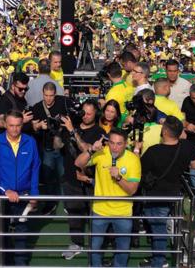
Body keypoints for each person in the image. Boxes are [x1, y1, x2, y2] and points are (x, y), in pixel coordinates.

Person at [139, 117, 195, 268]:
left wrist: (136, 149)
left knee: (158, 229)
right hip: (174, 193)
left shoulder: (153, 151)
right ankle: (158, 258)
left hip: (155, 196)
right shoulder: (187, 146)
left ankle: (159, 262)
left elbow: (138, 170)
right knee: (159, 228)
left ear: (165, 131)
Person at [74, 128, 140, 268]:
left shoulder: (133, 160)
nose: (115, 147)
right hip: (100, 210)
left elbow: (132, 190)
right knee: (95, 247)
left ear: (126, 144)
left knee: (122, 249)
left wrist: (119, 177)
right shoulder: (101, 153)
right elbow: (78, 163)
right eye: (112, 143)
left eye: (119, 144)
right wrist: (91, 150)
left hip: (123, 212)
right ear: (108, 142)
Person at [0, 111, 40, 266]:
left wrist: (34, 193)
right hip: (2, 198)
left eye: (18, 125)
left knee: (22, 231)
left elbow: (35, 168)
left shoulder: (30, 142)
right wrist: (6, 190)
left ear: (22, 124)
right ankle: (5, 263)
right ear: (5, 124)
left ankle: (20, 264)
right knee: (2, 232)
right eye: (11, 125)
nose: (15, 129)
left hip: (24, 195)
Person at [59, 100, 106, 260]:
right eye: (83, 112)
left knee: (94, 216)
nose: (85, 116)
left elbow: (87, 149)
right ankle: (76, 243)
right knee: (74, 214)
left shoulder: (99, 132)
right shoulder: (71, 126)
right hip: (70, 178)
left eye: (89, 113)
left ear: (96, 115)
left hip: (89, 180)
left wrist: (72, 131)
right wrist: (56, 130)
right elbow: (58, 145)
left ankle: (96, 247)